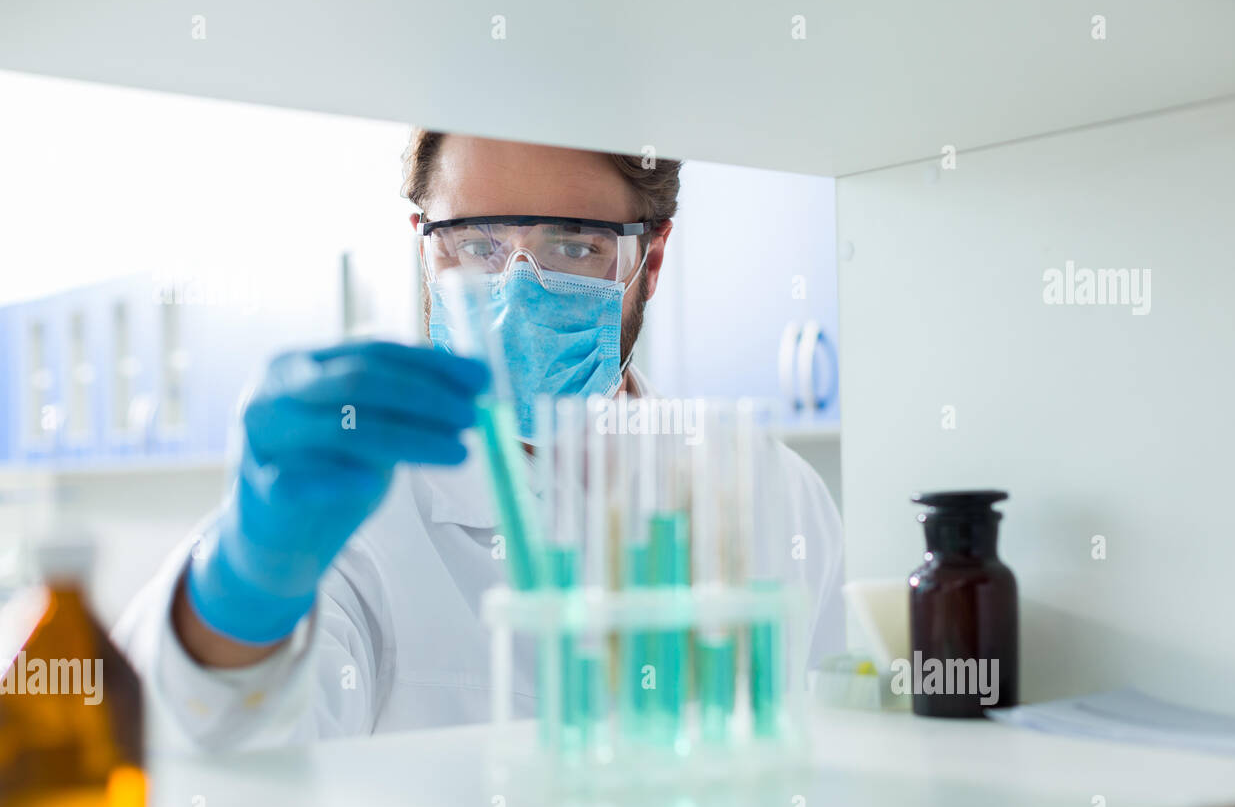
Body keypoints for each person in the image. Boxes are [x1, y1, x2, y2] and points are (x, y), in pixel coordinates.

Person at [112, 133, 845, 751]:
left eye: (571, 246)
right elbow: (200, 749)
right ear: (426, 253)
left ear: (648, 263)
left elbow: (844, 766)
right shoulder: (361, 508)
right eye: (475, 243)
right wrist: (245, 589)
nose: (516, 290)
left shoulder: (775, 496)